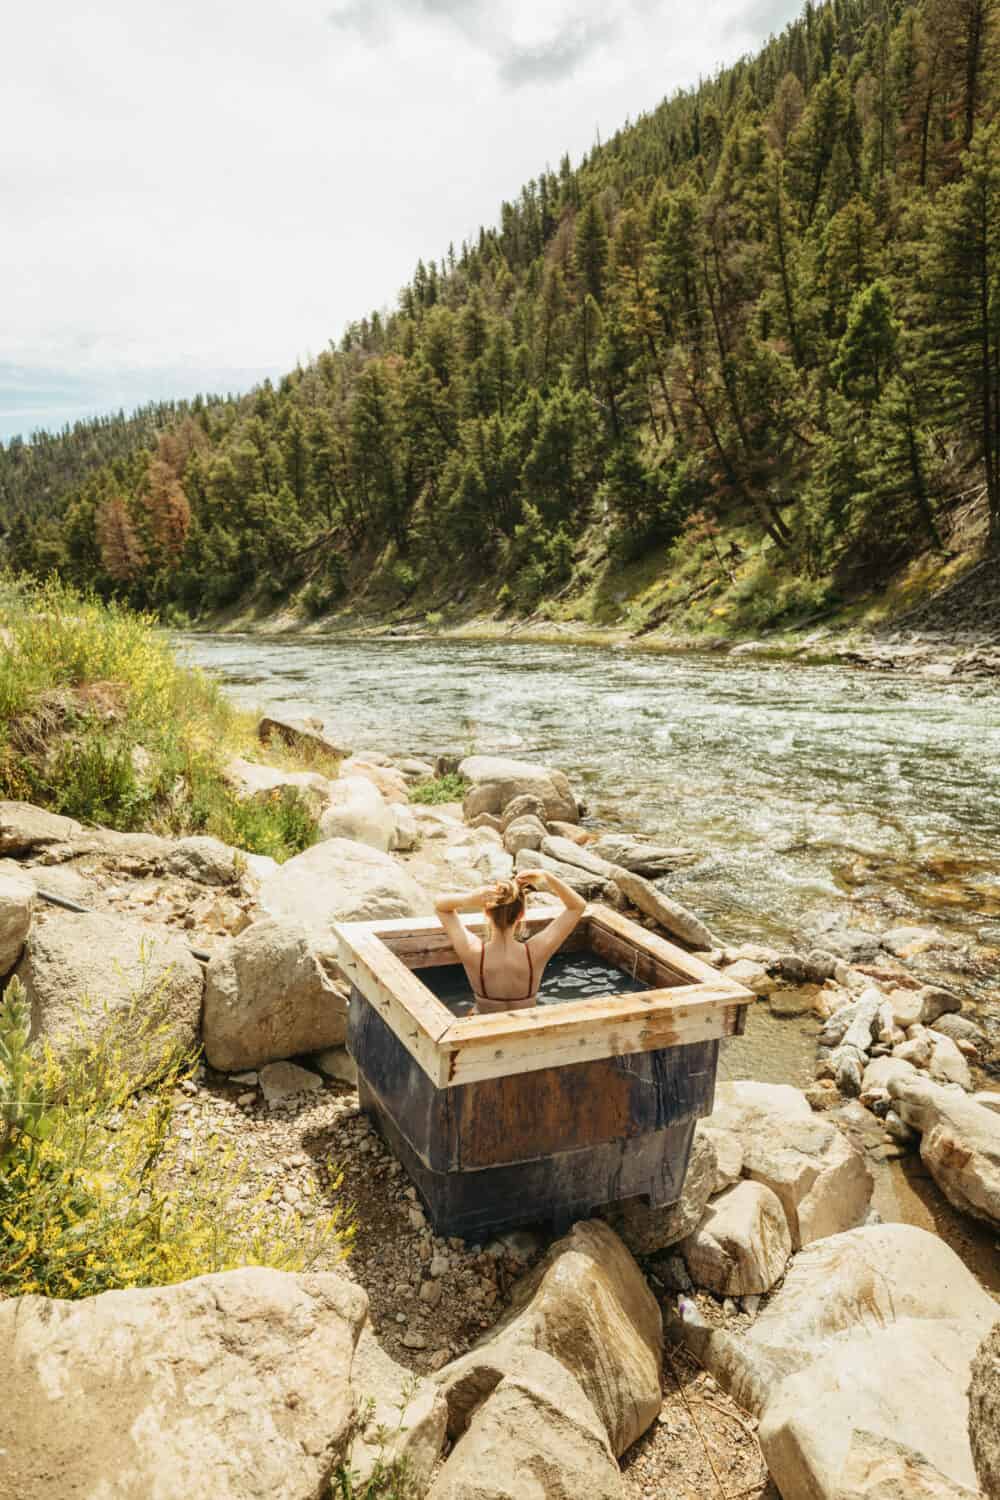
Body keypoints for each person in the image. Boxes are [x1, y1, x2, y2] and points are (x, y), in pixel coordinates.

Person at [434, 868, 587, 1013]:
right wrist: (546, 876)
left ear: (487, 913)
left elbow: (440, 906)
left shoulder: (473, 951)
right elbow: (577, 906)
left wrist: (469, 899)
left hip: (485, 1030)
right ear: (521, 914)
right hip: (527, 1031)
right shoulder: (535, 952)